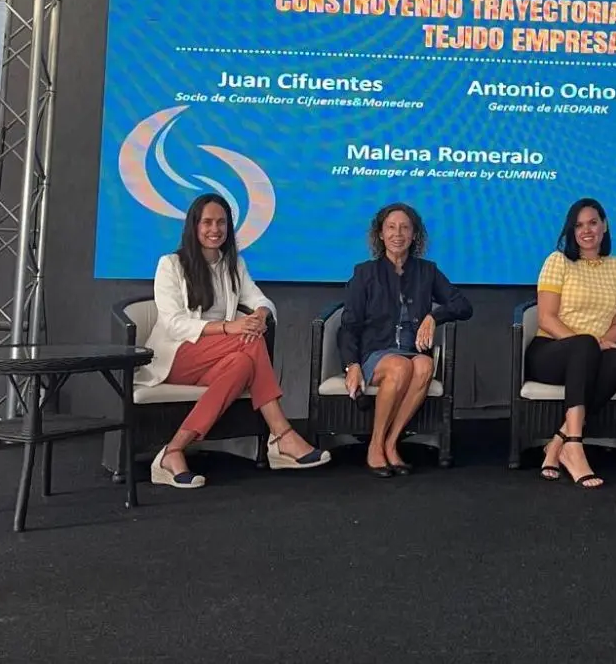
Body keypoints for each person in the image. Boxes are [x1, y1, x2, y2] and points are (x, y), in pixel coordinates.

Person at [140, 193, 330, 489]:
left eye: (221, 223)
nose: (215, 229)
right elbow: (175, 324)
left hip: (216, 358)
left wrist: (260, 316)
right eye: (207, 222)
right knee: (247, 341)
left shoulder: (233, 264)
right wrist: (230, 328)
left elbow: (261, 300)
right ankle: (282, 435)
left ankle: (173, 450)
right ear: (194, 226)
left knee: (243, 362)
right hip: (175, 357)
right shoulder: (171, 264)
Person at [339, 203, 473, 476]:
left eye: (404, 228)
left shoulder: (427, 271)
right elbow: (349, 325)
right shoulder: (365, 273)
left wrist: (434, 316)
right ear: (380, 234)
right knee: (400, 367)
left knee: (424, 365)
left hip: (410, 351)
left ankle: (391, 443)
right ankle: (375, 445)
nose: (397, 234)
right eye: (391, 227)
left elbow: (463, 305)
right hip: (376, 353)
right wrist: (351, 364)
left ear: (414, 235)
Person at [527, 198, 616, 489]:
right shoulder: (558, 261)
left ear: (604, 226)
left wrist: (600, 344)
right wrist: (589, 343)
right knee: (584, 344)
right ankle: (574, 444)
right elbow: (546, 318)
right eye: (579, 225)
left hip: (592, 354)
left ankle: (558, 442)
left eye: (593, 223)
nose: (586, 230)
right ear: (571, 231)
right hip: (550, 352)